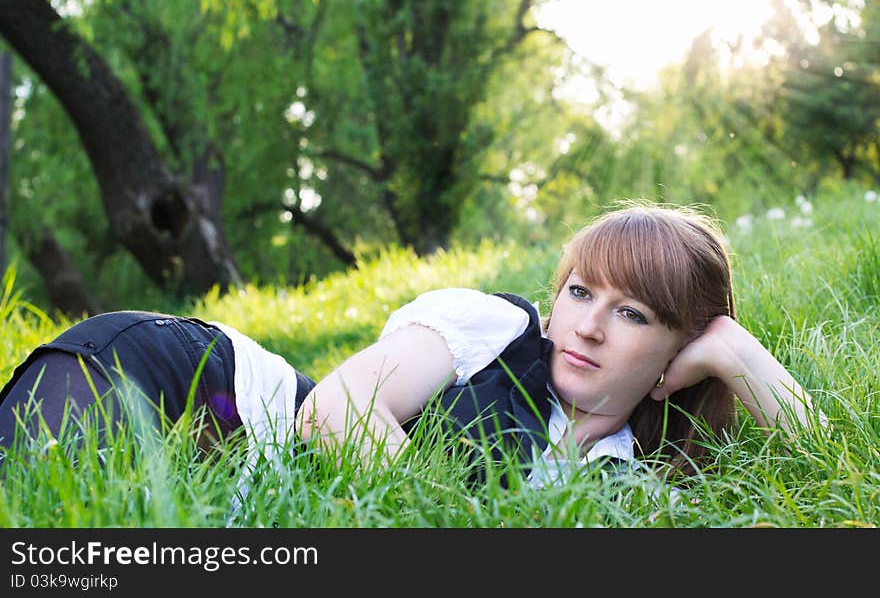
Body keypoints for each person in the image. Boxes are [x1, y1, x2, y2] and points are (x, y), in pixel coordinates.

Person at [0, 202, 823, 487]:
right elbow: (337, 410)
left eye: (636, 313)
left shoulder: (636, 489)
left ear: (678, 350)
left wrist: (733, 351)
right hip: (205, 393)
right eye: (580, 291)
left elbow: (830, 463)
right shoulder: (493, 327)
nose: (588, 324)